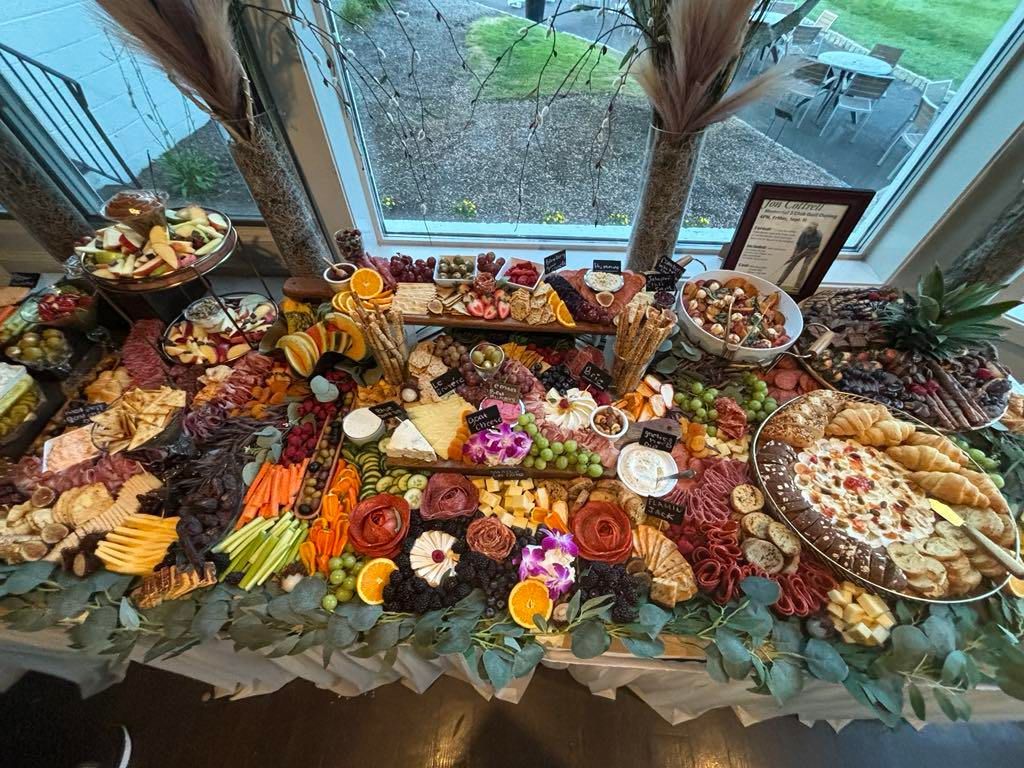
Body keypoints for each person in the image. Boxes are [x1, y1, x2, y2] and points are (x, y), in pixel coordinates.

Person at [776, 222, 823, 289]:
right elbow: (798, 244)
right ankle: (778, 283)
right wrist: (793, 255)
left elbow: (809, 248)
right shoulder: (804, 232)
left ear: (815, 229)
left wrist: (797, 256)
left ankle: (797, 286)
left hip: (812, 251)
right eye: (808, 228)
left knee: (804, 267)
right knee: (791, 265)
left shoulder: (818, 235)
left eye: (811, 229)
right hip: (803, 248)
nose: (809, 230)